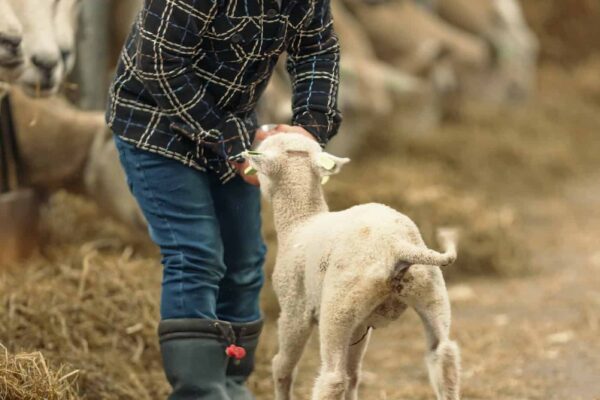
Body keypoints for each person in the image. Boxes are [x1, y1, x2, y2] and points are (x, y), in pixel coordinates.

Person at [105, 0, 342, 398]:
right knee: (195, 252)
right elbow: (159, 64)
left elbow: (316, 47)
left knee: (245, 259)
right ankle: (200, 391)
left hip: (234, 128)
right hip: (155, 127)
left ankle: (231, 382)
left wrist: (310, 126)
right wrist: (230, 141)